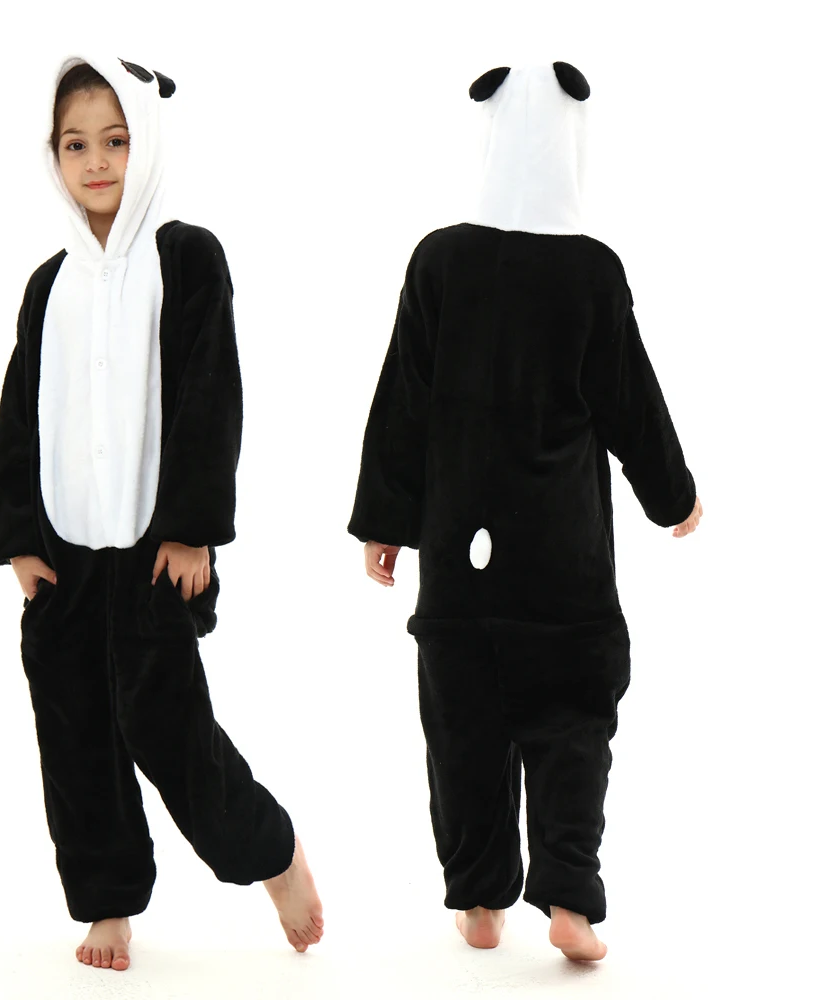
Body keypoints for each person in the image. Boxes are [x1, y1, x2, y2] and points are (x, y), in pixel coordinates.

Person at [347, 61, 703, 963]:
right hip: (564, 563)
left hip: (457, 556)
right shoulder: (591, 272)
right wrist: (674, 494)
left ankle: (478, 899)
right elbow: (629, 402)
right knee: (574, 721)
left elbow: (403, 401)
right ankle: (571, 897)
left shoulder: (438, 261)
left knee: (462, 726)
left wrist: (386, 519)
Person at [0, 52, 323, 971]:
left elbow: (212, 396)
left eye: (117, 140)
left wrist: (191, 527)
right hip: (64, 557)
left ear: (149, 143)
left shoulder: (186, 258)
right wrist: (18, 538)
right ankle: (107, 906)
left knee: (169, 731)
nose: (96, 161)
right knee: (75, 737)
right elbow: (20, 413)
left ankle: (271, 852)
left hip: (153, 547)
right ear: (53, 155)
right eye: (76, 144)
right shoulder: (49, 285)